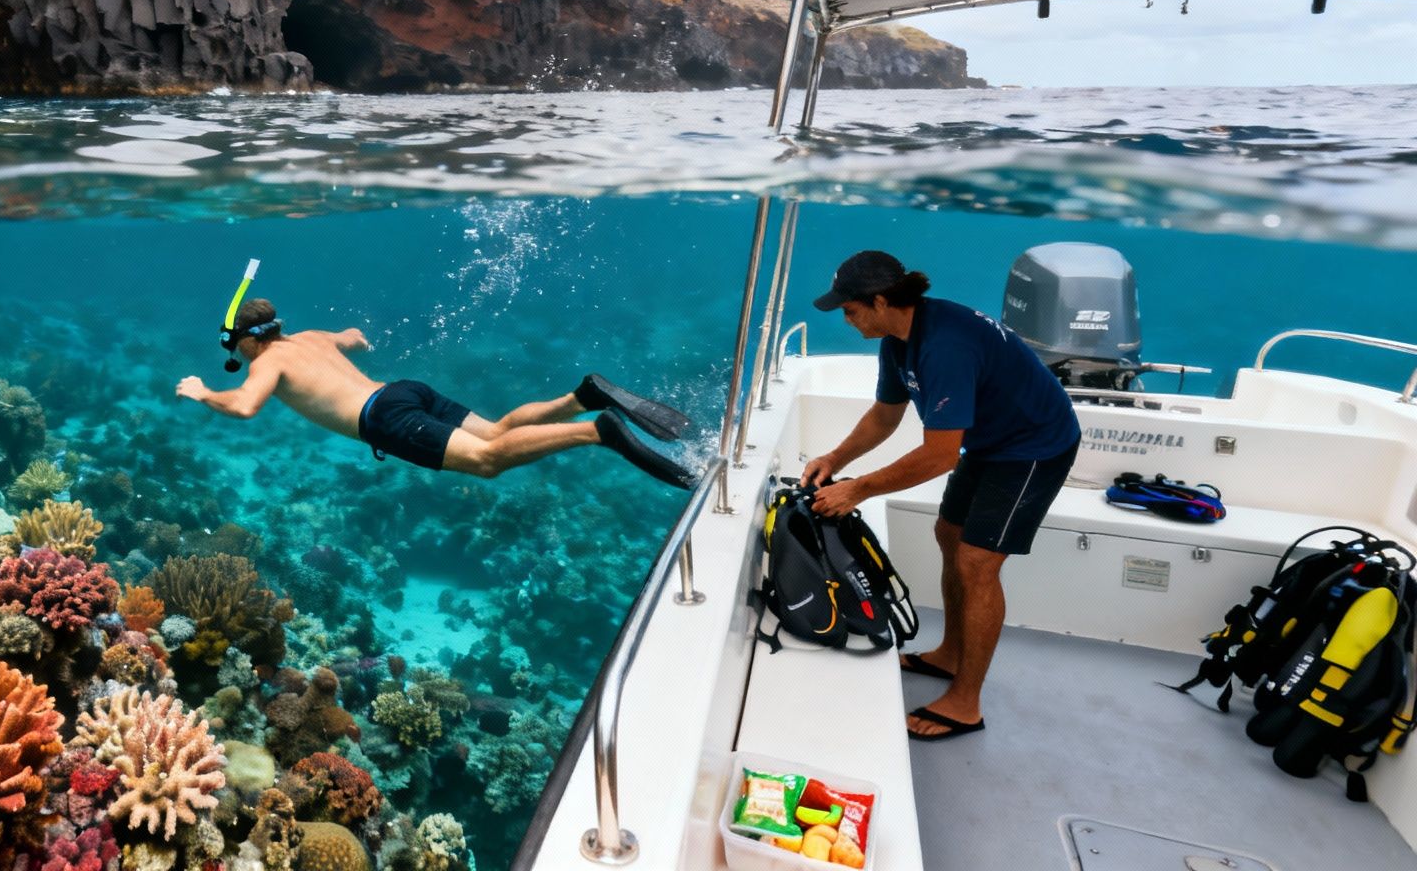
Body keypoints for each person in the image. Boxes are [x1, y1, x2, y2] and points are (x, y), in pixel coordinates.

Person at [801, 250, 1080, 742]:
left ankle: (966, 702)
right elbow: (885, 416)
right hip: (991, 440)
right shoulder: (897, 339)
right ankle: (952, 653)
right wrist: (837, 460)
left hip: (1034, 445)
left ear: (880, 301)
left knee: (977, 562)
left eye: (849, 310)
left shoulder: (945, 345)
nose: (846, 320)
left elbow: (939, 456)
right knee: (948, 532)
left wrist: (857, 491)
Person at [175, 297, 695, 487]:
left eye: (236, 345)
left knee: (488, 460)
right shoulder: (306, 337)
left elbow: (244, 406)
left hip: (384, 420)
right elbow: (350, 338)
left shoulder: (269, 362)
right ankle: (582, 396)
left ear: (244, 340)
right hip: (403, 391)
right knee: (495, 431)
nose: (239, 353)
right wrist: (354, 338)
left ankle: (595, 432)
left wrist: (202, 392)